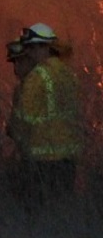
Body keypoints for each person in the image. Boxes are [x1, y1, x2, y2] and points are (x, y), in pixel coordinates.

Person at [5, 23, 83, 206]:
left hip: (42, 162)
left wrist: (14, 133)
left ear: (45, 47)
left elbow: (23, 121)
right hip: (68, 161)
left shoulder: (36, 77)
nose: (29, 53)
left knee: (37, 213)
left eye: (32, 47)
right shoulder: (68, 75)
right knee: (61, 212)